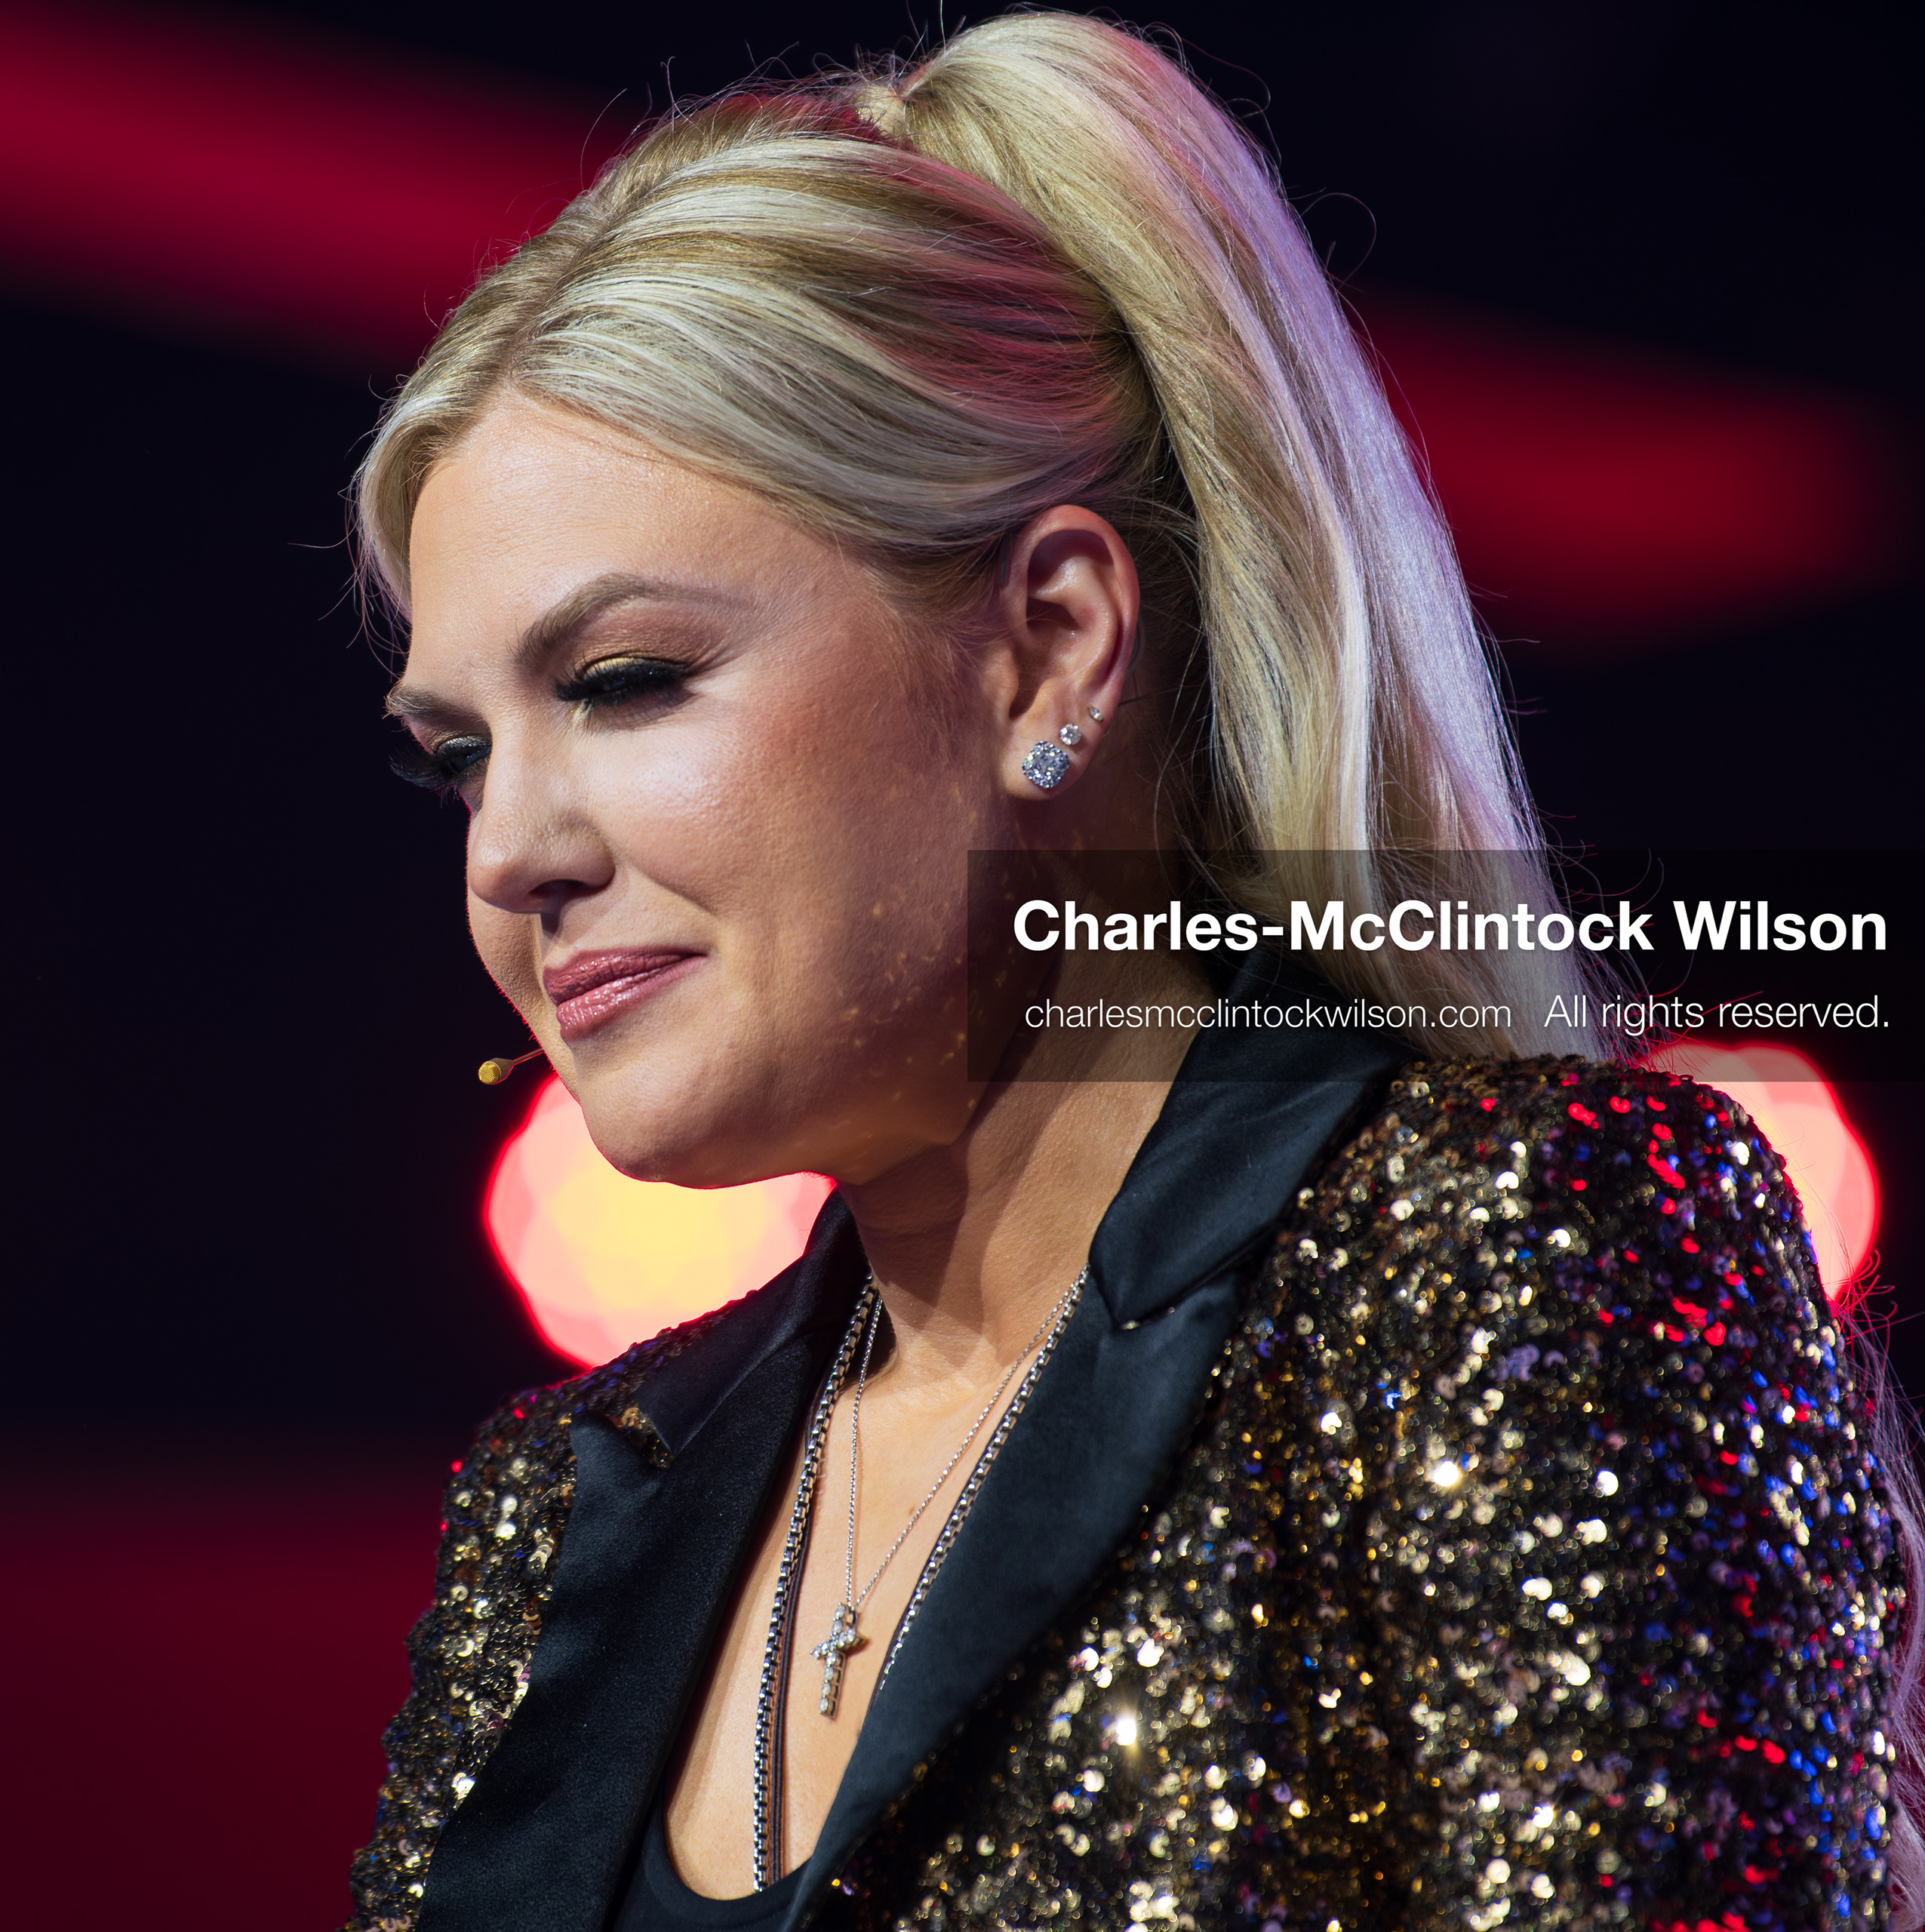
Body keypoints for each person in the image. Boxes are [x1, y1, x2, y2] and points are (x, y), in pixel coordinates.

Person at [340, 13, 1917, 1930]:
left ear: (1051, 648)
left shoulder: (1509, 1257)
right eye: (458, 755)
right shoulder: (565, 1503)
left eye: (624, 680)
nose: (509, 851)